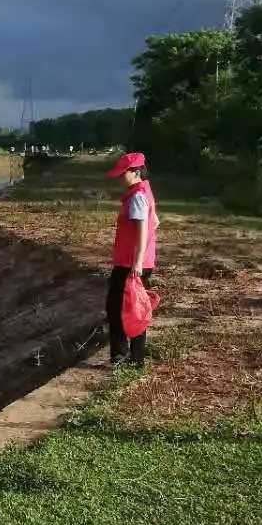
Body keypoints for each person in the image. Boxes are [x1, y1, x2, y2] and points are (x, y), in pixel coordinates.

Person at [105, 151, 158, 368]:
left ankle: (122, 357)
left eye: (123, 173)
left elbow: (143, 228)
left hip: (130, 265)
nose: (120, 178)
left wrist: (136, 261)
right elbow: (156, 221)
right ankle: (136, 358)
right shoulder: (143, 191)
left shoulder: (137, 196)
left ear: (136, 172)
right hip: (138, 262)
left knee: (117, 310)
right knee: (136, 309)